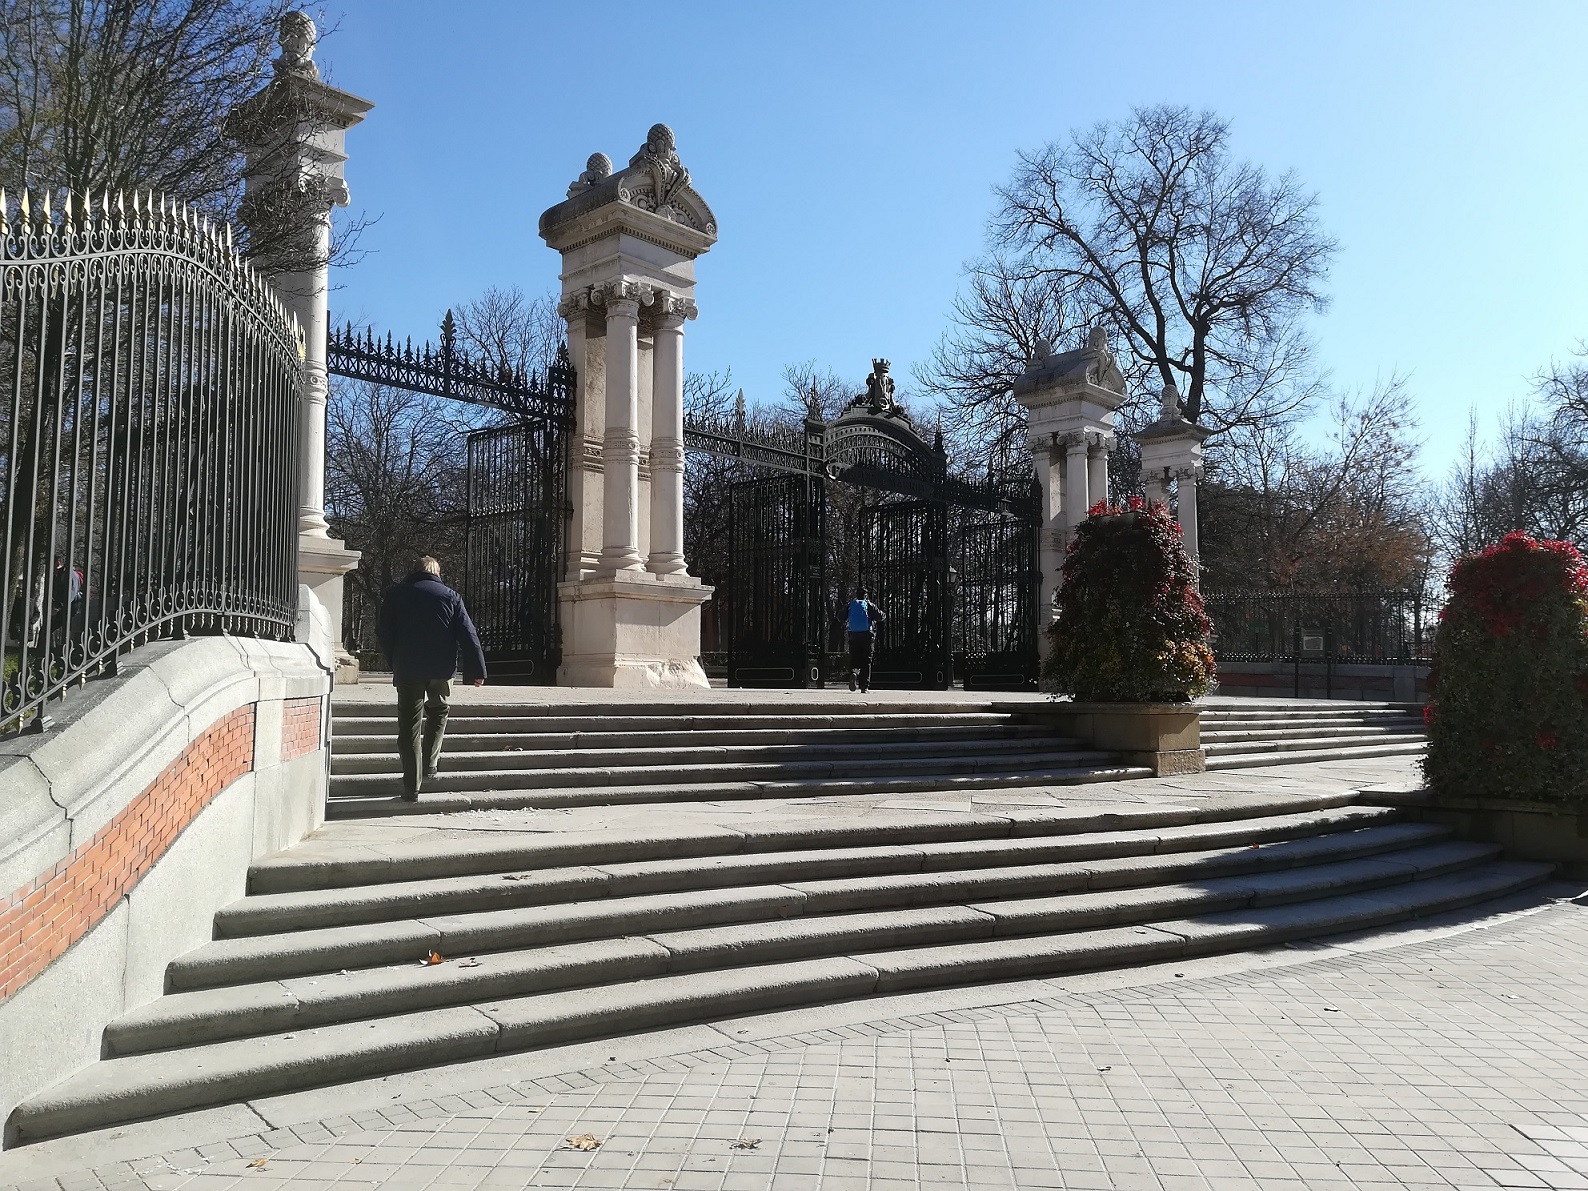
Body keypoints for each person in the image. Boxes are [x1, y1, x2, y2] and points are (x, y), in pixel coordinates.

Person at [376, 556, 487, 801]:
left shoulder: (395, 594)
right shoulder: (451, 596)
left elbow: (384, 633)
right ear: (437, 573)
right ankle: (430, 763)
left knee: (409, 726)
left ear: (414, 571)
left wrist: (394, 660)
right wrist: (477, 670)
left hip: (408, 669)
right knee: (439, 712)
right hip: (441, 669)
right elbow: (468, 634)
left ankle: (411, 787)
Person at [844, 588, 885, 693]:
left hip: (853, 635)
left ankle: (854, 673)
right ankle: (864, 687)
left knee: (855, 658)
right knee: (866, 661)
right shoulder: (869, 605)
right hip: (867, 636)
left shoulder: (851, 604)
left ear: (856, 594)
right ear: (865, 595)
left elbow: (840, 617)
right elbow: (881, 616)